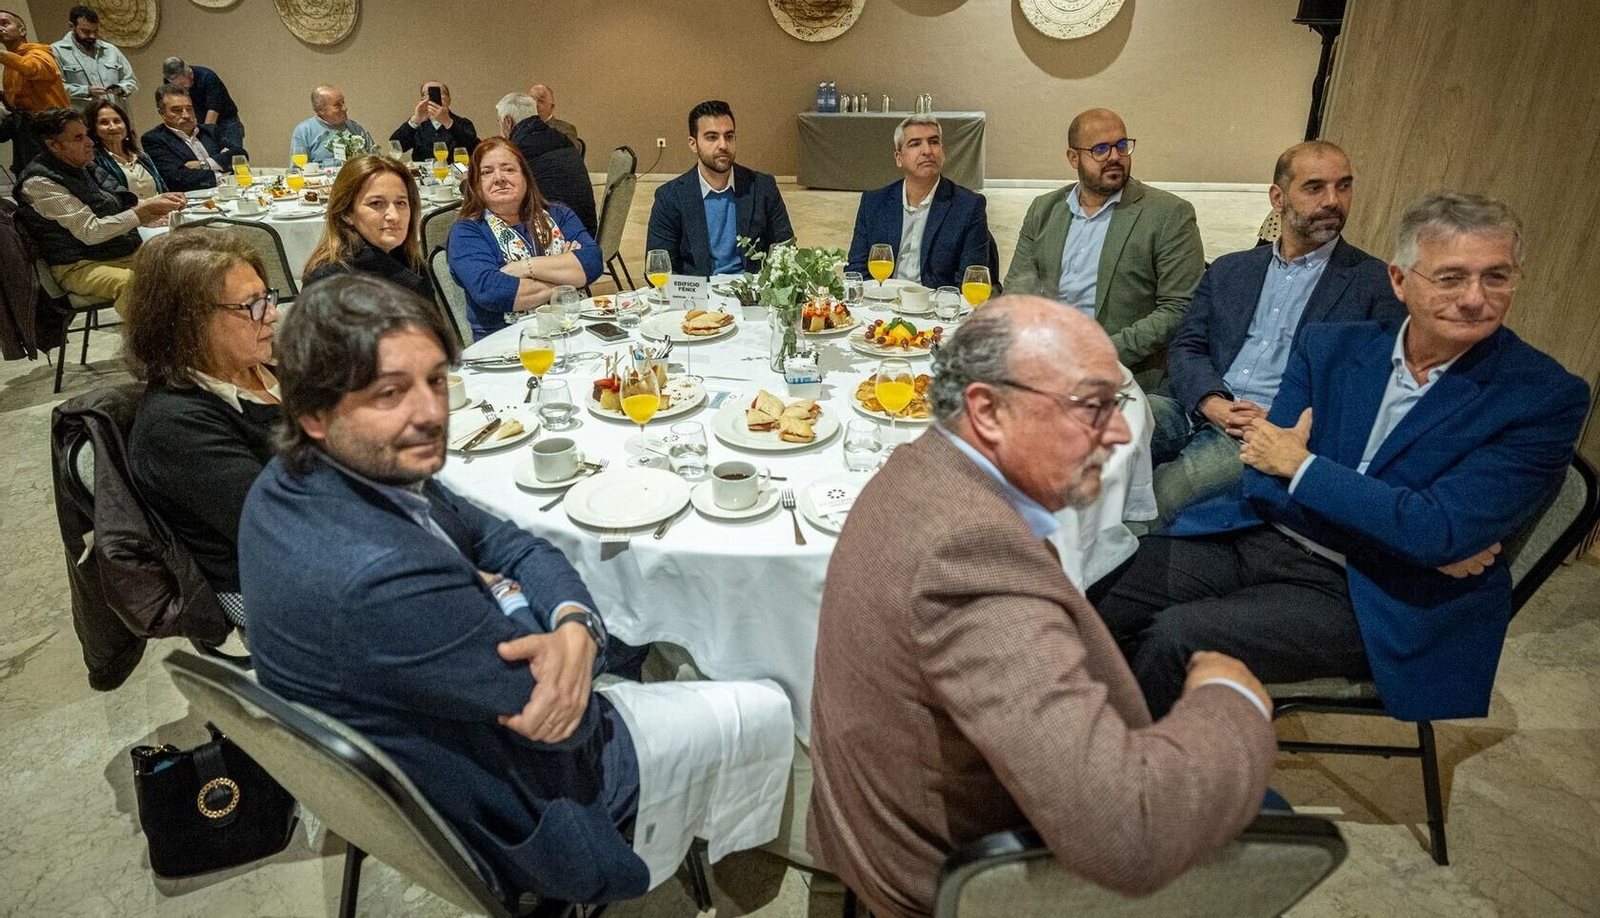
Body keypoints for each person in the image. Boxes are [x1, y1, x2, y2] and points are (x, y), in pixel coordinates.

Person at [237, 275, 792, 902]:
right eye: (390, 392)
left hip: (432, 720)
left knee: (606, 635)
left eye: (436, 380)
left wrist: (574, 620)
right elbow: (568, 723)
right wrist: (546, 620)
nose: (430, 413)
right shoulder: (375, 577)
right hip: (511, 804)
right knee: (766, 702)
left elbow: (509, 540)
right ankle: (746, 871)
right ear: (314, 414)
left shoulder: (313, 473)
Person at [808, 296, 1278, 918]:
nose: (1118, 434)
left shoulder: (918, 464)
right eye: (1090, 407)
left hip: (895, 830)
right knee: (1268, 815)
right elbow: (1126, 833)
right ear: (987, 410)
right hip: (950, 879)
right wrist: (1234, 699)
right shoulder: (970, 554)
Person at [1096, 192, 1589, 721]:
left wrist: (1303, 467)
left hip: (1378, 594)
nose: (1475, 298)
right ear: (1400, 281)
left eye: (1497, 276)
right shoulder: (1331, 348)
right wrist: (1404, 526)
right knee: (1101, 576)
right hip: (1264, 538)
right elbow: (1265, 478)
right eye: (1450, 277)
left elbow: (1433, 533)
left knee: (1178, 636)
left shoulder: (1542, 396)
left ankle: (1133, 786)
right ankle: (1063, 743)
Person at [1149, 141, 1402, 519]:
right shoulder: (1230, 269)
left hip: (1268, 428)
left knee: (1169, 492)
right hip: (1195, 403)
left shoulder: (1374, 283)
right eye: (1315, 187)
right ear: (1277, 198)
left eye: (1343, 186)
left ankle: (1099, 573)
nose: (1333, 200)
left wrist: (1283, 415)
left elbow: (1374, 386)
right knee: (1091, 433)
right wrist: (1211, 402)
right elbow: (1187, 347)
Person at [125, 227, 282, 624]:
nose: (273, 313)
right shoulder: (176, 427)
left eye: (267, 298)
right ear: (186, 321)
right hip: (265, 586)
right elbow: (283, 529)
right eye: (252, 305)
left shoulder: (263, 366)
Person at [1003, 108, 1204, 389]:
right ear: (1074, 157)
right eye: (1100, 149)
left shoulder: (1169, 214)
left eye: (1122, 146)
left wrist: (1097, 354)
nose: (1114, 157)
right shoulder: (1044, 210)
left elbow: (1179, 307)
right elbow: (1017, 291)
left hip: (1122, 371)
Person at [12, 107, 182, 317]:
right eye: (78, 138)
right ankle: (151, 346)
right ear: (53, 145)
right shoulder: (39, 183)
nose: (90, 142)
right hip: (77, 265)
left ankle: (194, 337)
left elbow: (121, 200)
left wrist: (159, 201)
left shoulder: (83, 167)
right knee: (134, 285)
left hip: (116, 251)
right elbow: (91, 232)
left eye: (87, 135)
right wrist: (142, 213)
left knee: (182, 266)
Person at [448, 137, 601, 341]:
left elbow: (592, 261)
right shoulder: (467, 232)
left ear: (526, 178)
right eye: (487, 172)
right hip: (506, 346)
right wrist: (565, 280)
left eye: (508, 169)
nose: (499, 178)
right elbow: (492, 291)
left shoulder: (559, 214)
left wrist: (526, 267)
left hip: (574, 331)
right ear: (476, 185)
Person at [845, 113, 997, 289]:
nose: (927, 151)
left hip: (937, 307)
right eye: (915, 144)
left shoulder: (968, 206)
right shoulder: (873, 203)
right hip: (882, 303)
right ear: (898, 158)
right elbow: (857, 271)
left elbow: (971, 281)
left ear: (943, 152)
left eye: (933, 142)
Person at [647, 100, 794, 277]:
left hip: (753, 294)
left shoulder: (762, 187)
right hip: (699, 298)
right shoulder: (670, 197)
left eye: (729, 136)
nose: (723, 145)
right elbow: (658, 268)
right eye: (712, 137)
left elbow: (787, 252)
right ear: (693, 144)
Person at [302, 154, 431, 300]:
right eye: (376, 203)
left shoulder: (412, 264)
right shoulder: (329, 282)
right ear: (346, 213)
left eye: (400, 203)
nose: (394, 216)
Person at [500, 91, 598, 235]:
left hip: (560, 237)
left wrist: (466, 183)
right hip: (587, 228)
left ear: (508, 122)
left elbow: (501, 198)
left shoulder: (517, 150)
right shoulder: (561, 138)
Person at [0, 8, 70, 175]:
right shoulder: (10, 64)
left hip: (52, 131)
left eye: (5, 23)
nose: (0, 28)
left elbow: (33, 68)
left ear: (22, 30)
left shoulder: (39, 53)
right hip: (28, 134)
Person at [141, 84, 238, 192]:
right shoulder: (154, 139)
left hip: (229, 192)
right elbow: (177, 178)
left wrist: (203, 164)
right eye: (177, 110)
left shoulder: (210, 131)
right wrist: (223, 174)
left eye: (189, 109)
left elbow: (240, 155)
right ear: (162, 113)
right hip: (191, 201)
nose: (186, 115)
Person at [50, 5, 137, 112]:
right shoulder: (57, 51)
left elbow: (130, 80)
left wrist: (121, 88)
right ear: (72, 26)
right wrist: (86, 91)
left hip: (116, 116)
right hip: (83, 121)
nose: (92, 36)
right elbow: (57, 88)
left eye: (95, 31)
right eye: (86, 31)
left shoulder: (110, 50)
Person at [86, 97, 167, 199]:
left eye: (117, 121)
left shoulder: (142, 157)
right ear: (93, 128)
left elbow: (162, 189)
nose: (113, 127)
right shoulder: (94, 161)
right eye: (104, 122)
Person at [162, 57, 245, 156]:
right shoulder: (170, 82)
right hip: (199, 122)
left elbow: (213, 110)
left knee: (234, 157)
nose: (180, 88)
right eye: (176, 85)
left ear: (189, 74)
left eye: (182, 83)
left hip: (226, 122)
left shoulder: (208, 77)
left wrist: (205, 137)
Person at [389, 81, 479, 161]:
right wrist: (415, 121)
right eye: (425, 94)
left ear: (449, 99)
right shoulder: (417, 124)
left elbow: (475, 149)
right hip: (423, 176)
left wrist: (448, 122)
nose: (431, 97)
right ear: (422, 100)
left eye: (438, 93)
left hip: (457, 175)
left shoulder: (463, 123)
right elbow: (396, 147)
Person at [291, 84, 375, 165]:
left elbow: (375, 160)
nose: (345, 108)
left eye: (343, 102)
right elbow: (297, 169)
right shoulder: (304, 131)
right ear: (320, 110)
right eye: (337, 105)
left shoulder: (356, 128)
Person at [529, 82, 580, 149]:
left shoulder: (565, 129)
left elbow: (570, 156)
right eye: (531, 100)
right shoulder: (521, 128)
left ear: (552, 107)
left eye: (541, 101)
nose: (535, 104)